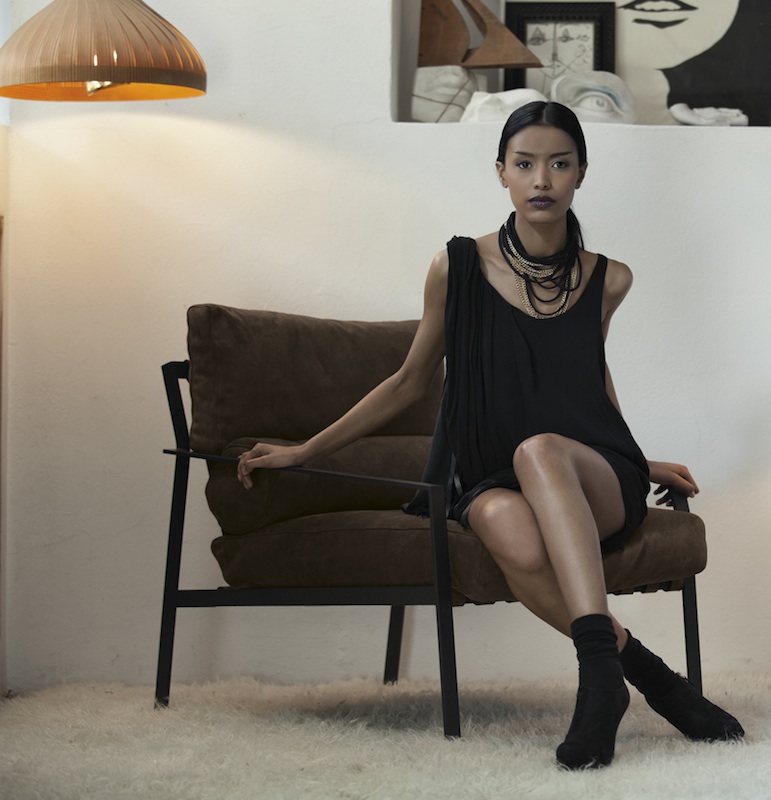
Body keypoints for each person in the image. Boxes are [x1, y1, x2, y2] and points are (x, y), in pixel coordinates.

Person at [236, 101, 744, 769]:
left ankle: (598, 683)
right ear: (500, 171)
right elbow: (409, 383)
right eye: (525, 164)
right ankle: (645, 676)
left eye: (559, 164)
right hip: (490, 474)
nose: (542, 180)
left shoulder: (608, 279)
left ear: (581, 173)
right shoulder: (456, 267)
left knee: (540, 449)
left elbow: (587, 383)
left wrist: (638, 461)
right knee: (508, 526)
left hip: (587, 474)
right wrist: (304, 451)